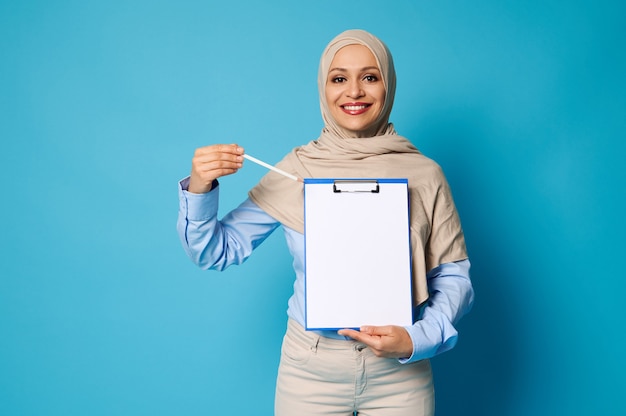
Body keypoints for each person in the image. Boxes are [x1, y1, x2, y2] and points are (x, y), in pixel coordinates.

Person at [177, 29, 474, 416]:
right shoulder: (297, 169)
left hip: (401, 375)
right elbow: (215, 252)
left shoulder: (425, 174)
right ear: (324, 87)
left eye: (370, 77)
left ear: (388, 84)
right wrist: (200, 186)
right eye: (339, 78)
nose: (354, 92)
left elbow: (454, 278)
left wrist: (418, 339)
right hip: (309, 370)